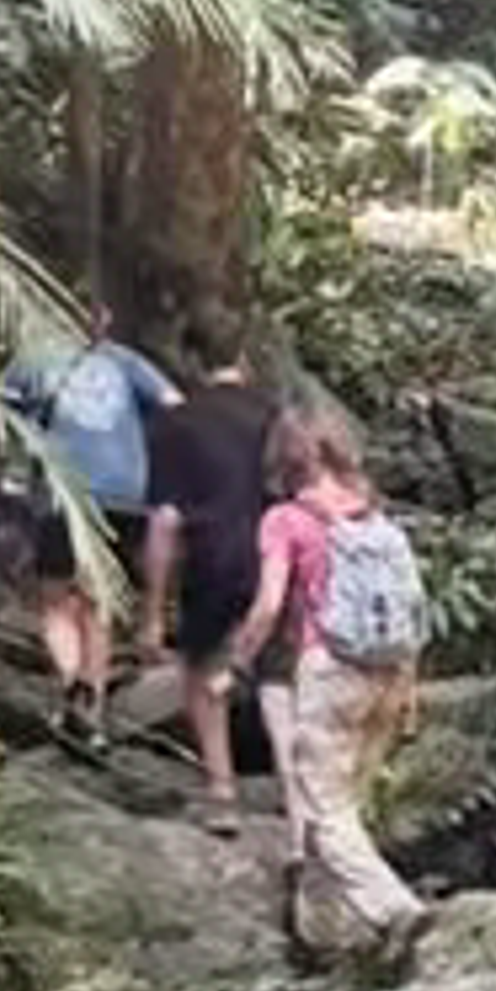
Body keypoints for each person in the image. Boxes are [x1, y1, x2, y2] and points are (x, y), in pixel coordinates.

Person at [228, 402, 429, 957]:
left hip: (330, 668)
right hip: (389, 671)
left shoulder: (286, 520)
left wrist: (239, 659)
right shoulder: (373, 515)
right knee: (343, 805)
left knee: (324, 807)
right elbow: (409, 608)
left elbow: (268, 605)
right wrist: (410, 688)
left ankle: (396, 911)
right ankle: (319, 932)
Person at [134, 328, 283, 823]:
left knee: (200, 674)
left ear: (192, 363)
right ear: (242, 357)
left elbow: (165, 520)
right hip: (276, 553)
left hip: (212, 557)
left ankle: (222, 793)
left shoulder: (177, 423)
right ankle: (300, 799)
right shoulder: (274, 415)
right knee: (282, 678)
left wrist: (153, 613)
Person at [3, 324, 171, 746]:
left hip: (66, 491)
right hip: (125, 494)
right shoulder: (125, 360)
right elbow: (174, 403)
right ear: (101, 319)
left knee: (56, 600)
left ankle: (72, 684)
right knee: (98, 601)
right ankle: (92, 709)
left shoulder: (35, 359)